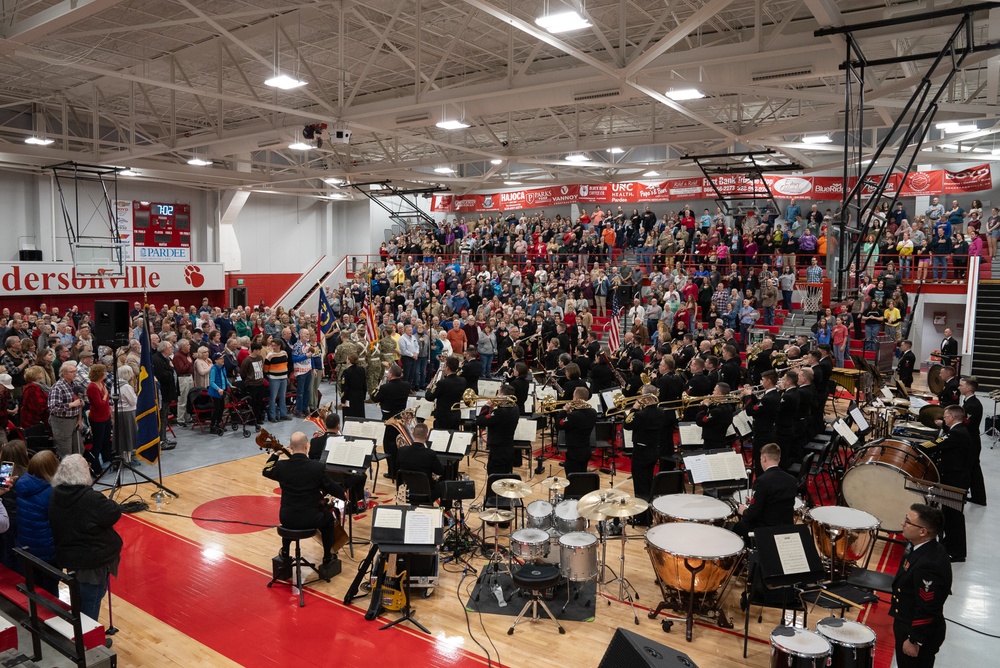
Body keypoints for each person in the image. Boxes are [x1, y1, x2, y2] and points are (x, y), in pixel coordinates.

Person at [48, 454, 123, 620]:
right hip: (92, 561)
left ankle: (81, 637)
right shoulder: (89, 498)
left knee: (80, 599)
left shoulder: (56, 494)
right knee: (91, 603)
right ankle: (88, 644)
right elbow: (114, 512)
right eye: (86, 466)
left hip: (70, 557)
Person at [262, 431, 345, 580]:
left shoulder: (281, 466)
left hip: (287, 518)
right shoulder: (316, 467)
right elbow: (330, 487)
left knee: (290, 518)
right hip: (310, 520)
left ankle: (285, 553)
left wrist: (276, 454)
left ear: (291, 447)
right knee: (328, 521)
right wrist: (343, 494)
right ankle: (327, 557)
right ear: (307, 446)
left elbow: (266, 470)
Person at [890, 504, 952, 667]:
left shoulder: (928, 565)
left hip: (917, 631)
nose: (903, 524)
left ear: (923, 531)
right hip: (907, 621)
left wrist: (914, 639)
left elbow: (927, 607)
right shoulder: (924, 548)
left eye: (908, 522)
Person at [926, 405, 971, 562]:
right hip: (953, 477)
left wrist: (919, 448)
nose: (944, 420)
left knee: (954, 516)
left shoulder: (956, 433)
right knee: (949, 513)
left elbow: (937, 443)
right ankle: (949, 543)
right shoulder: (959, 431)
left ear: (952, 417)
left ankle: (957, 552)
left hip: (955, 480)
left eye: (945, 417)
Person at [14, 450, 59, 595]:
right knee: (51, 591)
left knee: (34, 587)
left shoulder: (21, 483)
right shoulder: (51, 492)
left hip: (26, 547)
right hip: (47, 551)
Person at [733, 443, 798, 542]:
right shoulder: (792, 479)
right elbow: (777, 503)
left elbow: (753, 514)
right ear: (778, 459)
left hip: (767, 529)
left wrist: (744, 511)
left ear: (764, 459)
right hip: (787, 527)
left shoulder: (762, 481)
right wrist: (756, 501)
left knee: (738, 527)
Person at [622, 385, 663, 526]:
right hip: (654, 451)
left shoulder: (641, 414)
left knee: (640, 486)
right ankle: (649, 514)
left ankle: (641, 518)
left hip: (641, 452)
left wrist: (634, 408)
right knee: (648, 482)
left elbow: (626, 424)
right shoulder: (660, 412)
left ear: (645, 397)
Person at [371, 363, 410, 480]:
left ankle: (392, 472)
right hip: (401, 418)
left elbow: (375, 398)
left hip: (388, 419)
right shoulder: (406, 385)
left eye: (388, 372)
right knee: (400, 445)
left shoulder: (385, 387)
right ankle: (400, 469)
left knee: (389, 446)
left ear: (391, 375)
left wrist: (378, 388)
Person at [476, 385, 520, 475]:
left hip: (498, 451)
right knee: (507, 475)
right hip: (509, 447)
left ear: (502, 395)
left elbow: (480, 421)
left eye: (498, 393)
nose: (496, 395)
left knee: (495, 477)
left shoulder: (499, 413)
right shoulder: (516, 408)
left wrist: (486, 406)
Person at [395, 423, 445, 500]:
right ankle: (444, 510)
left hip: (406, 492)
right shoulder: (430, 453)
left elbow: (398, 467)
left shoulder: (401, 451)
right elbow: (440, 471)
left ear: (413, 434)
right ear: (427, 435)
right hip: (426, 494)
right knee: (444, 484)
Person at [743, 371, 780, 476]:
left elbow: (750, 411)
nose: (761, 382)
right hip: (766, 431)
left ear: (768, 381)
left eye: (762, 380)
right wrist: (750, 394)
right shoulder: (772, 394)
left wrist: (747, 396)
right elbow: (759, 405)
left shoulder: (769, 398)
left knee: (760, 463)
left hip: (763, 434)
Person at [557, 386, 598, 474]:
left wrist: (564, 411)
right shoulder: (593, 412)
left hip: (574, 453)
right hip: (586, 449)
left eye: (573, 396)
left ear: (576, 398)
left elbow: (558, 425)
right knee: (581, 477)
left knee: (572, 478)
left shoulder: (573, 416)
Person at [47, 361, 84, 458]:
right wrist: (71, 405)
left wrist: (79, 419)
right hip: (62, 422)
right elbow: (53, 407)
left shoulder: (74, 384)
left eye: (75, 371)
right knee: (65, 451)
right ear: (64, 373)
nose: (75, 374)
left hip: (75, 419)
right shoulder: (57, 387)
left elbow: (79, 402)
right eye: (72, 372)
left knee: (79, 449)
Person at [958, 377, 985, 507]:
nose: (959, 387)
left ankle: (970, 495)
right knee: (974, 470)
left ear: (968, 388)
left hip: (971, 442)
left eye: (961, 385)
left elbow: (967, 426)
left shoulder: (973, 405)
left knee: (970, 469)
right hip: (971, 440)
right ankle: (979, 497)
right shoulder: (969, 402)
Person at [425, 355, 465, 430]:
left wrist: (428, 389)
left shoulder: (442, 383)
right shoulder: (462, 380)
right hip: (456, 415)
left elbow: (429, 397)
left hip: (443, 416)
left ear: (447, 368)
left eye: (445, 366)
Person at [86, 364, 113, 466]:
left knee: (106, 440)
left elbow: (104, 404)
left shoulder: (101, 383)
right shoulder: (92, 387)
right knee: (98, 442)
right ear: (99, 374)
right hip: (98, 418)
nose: (106, 373)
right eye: (104, 372)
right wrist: (105, 395)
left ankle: (107, 460)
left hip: (106, 416)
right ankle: (94, 464)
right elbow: (99, 405)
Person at [695, 383, 734, 450]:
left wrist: (703, 406)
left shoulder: (717, 411)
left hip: (712, 443)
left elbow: (700, 421)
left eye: (714, 390)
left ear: (718, 393)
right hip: (721, 440)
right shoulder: (728, 407)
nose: (712, 392)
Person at [239, 342, 266, 430]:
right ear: (254, 350)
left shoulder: (260, 357)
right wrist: (248, 380)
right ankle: (252, 419)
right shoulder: (247, 360)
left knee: (259, 402)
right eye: (258, 350)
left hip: (260, 382)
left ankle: (258, 417)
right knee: (253, 402)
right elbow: (243, 373)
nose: (260, 352)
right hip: (252, 384)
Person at [114, 366, 138, 464]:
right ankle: (128, 459)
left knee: (121, 436)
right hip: (128, 413)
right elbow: (133, 401)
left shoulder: (114, 385)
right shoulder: (126, 387)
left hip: (118, 413)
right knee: (128, 436)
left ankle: (124, 458)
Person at [263, 338, 291, 422]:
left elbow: (286, 364)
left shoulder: (284, 353)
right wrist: (271, 375)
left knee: (283, 397)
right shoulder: (269, 355)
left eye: (275, 345)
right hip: (274, 379)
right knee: (273, 398)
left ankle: (283, 414)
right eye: (272, 345)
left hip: (283, 377)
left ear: (279, 345)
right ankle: (272, 416)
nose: (273, 347)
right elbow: (265, 369)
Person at [208, 352, 231, 435]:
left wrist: (230, 385)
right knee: (217, 409)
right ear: (216, 360)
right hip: (216, 392)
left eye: (223, 358)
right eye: (221, 358)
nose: (223, 360)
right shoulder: (214, 369)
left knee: (221, 408)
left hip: (223, 391)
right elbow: (212, 382)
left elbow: (225, 379)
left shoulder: (222, 368)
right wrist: (218, 389)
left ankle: (218, 424)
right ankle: (212, 426)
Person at [339, 353, 367, 419]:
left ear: (349, 360)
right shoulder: (362, 370)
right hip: (360, 395)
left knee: (350, 415)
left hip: (350, 396)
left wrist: (343, 400)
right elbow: (364, 384)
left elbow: (344, 387)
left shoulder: (346, 372)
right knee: (359, 414)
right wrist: (363, 396)